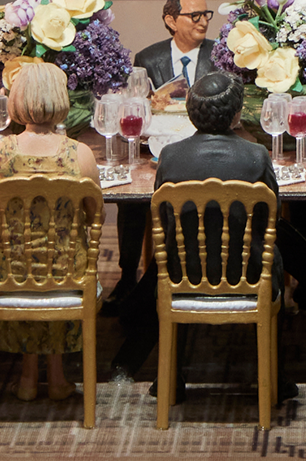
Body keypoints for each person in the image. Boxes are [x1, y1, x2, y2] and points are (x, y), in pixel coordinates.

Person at [110, 71, 293, 398]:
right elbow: (271, 219)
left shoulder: (170, 156)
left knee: (177, 250)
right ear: (237, 113)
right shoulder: (257, 157)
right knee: (279, 252)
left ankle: (166, 375)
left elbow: (165, 220)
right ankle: (275, 378)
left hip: (182, 272)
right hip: (247, 273)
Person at [0, 61, 94, 402]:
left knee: (26, 262)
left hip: (10, 274)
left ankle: (28, 376)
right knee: (56, 260)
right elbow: (90, 216)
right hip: (67, 274)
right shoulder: (80, 154)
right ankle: (56, 376)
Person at [132, 0, 214, 110]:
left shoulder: (220, 55)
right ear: (171, 22)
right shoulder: (147, 60)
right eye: (195, 16)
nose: (204, 22)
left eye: (205, 15)